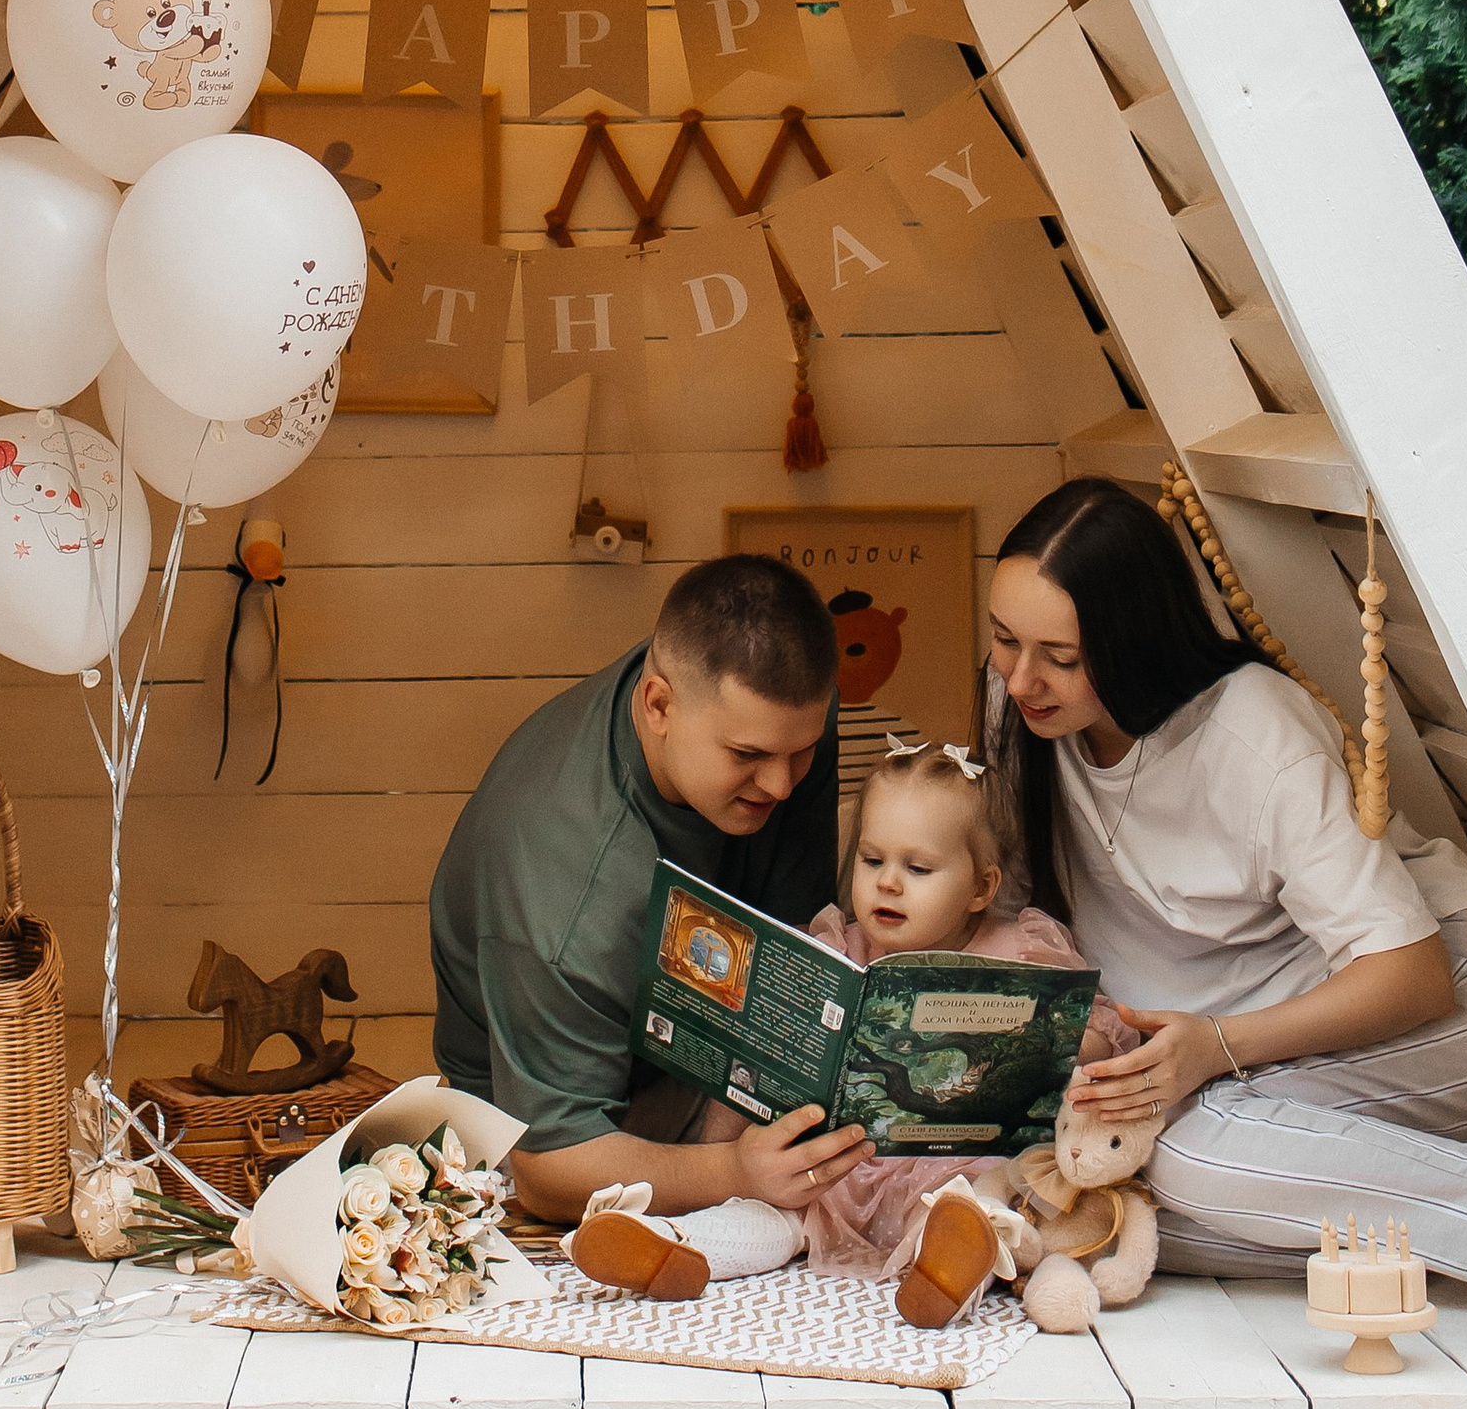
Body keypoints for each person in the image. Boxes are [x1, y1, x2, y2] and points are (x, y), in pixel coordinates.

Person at [983, 479, 1467, 1353]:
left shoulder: (1252, 737)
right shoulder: (1023, 712)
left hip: (1459, 1011)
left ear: (1133, 639)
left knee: (1191, 1168)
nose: (1020, 679)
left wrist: (1218, 1047)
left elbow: (1411, 976)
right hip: (1269, 1063)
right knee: (1106, 1217)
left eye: (1061, 655)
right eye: (1004, 640)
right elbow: (1018, 909)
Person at [571, 732, 1136, 1322]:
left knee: (981, 1210)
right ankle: (678, 1247)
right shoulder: (840, 947)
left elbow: (1100, 1033)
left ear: (981, 887)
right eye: (872, 860)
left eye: (917, 867)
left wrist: (1057, 1046)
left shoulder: (1020, 951)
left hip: (962, 1165)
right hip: (839, 1167)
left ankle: (946, 1270)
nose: (887, 882)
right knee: (778, 1212)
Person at [427, 552, 869, 1243]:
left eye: (803, 751)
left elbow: (797, 928)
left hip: (716, 1031)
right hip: (578, 1125)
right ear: (657, 705)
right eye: (747, 756)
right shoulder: (568, 891)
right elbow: (550, 1167)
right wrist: (736, 1172)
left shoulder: (778, 722)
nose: (783, 785)